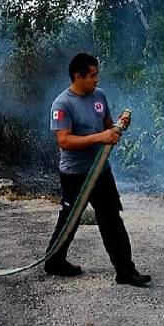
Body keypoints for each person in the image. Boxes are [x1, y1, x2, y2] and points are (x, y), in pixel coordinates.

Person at [45, 52, 151, 287]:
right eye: (92, 75)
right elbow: (63, 141)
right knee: (70, 219)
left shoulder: (99, 96)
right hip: (75, 174)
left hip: (101, 171)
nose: (97, 79)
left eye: (97, 74)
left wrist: (118, 127)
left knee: (111, 218)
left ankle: (125, 271)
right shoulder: (62, 104)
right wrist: (100, 137)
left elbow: (107, 127)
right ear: (78, 76)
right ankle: (54, 261)